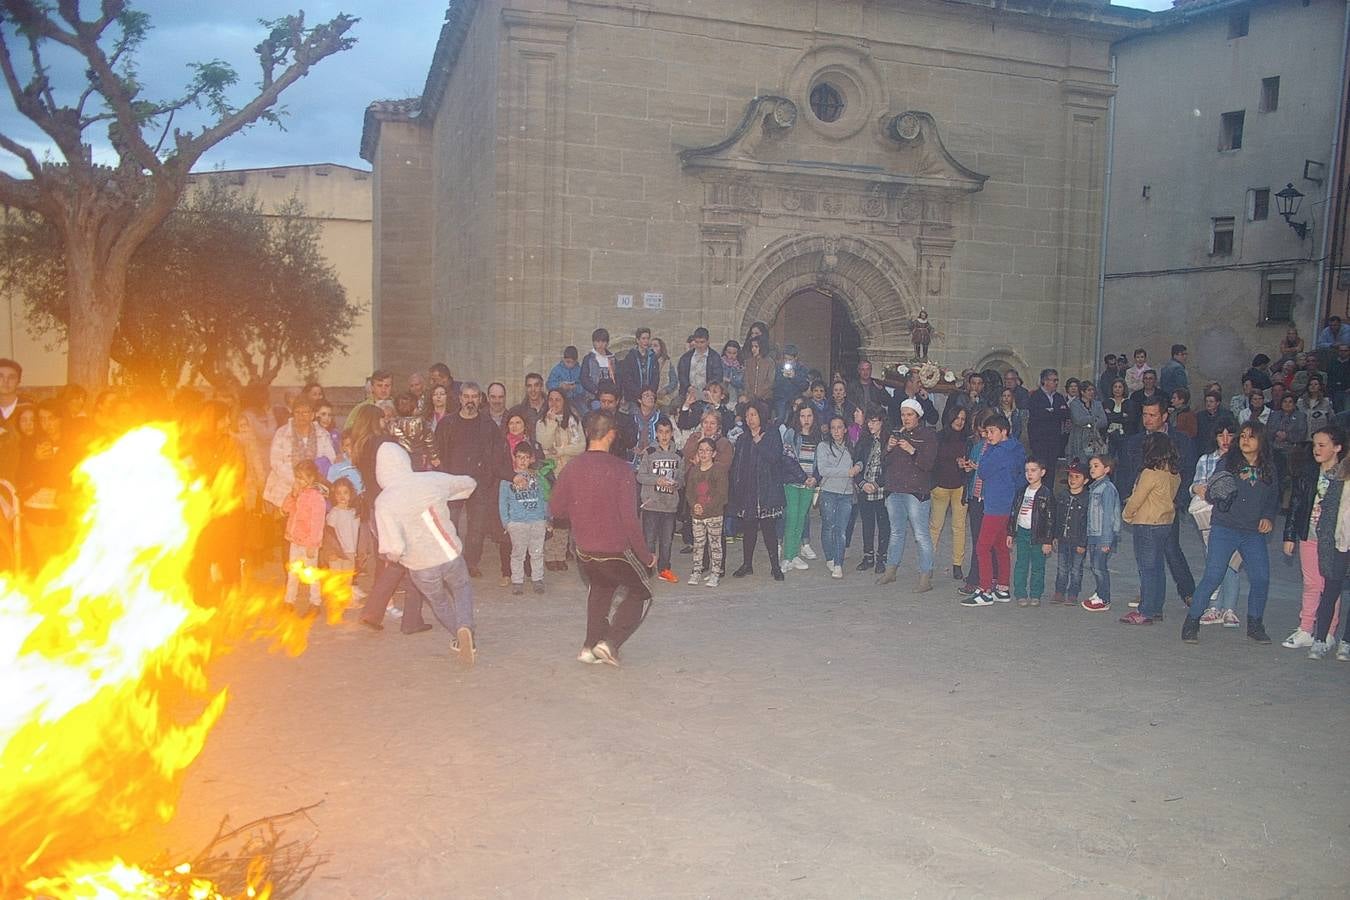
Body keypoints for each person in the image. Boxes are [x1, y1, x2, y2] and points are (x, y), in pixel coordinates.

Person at [550, 409, 657, 667]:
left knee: (600, 589)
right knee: (644, 591)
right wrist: (647, 557)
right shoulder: (621, 469)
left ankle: (589, 646)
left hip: (584, 550)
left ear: (588, 433)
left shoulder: (572, 467)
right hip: (615, 550)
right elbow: (630, 521)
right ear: (612, 435)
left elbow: (556, 510)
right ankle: (609, 643)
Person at [374, 441, 479, 666]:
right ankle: (465, 627)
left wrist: (398, 558)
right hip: (449, 552)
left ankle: (458, 636)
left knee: (438, 601)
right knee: (461, 589)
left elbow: (393, 548)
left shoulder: (384, 502)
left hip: (420, 565)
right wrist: (447, 496)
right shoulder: (430, 480)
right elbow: (468, 484)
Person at [1181, 422, 1280, 644]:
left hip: (1252, 532)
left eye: (1251, 437)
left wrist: (1268, 517)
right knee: (1213, 575)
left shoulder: (1269, 468)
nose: (1245, 440)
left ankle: (1255, 624)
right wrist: (1222, 490)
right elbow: (1212, 493)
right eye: (1243, 435)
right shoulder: (1227, 462)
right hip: (1225, 527)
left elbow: (1273, 498)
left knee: (1261, 578)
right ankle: (1192, 621)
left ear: (1261, 442)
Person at [1118, 397, 1197, 613]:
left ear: (1165, 416)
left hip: (1167, 506)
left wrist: (1177, 500)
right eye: (1144, 414)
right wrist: (1126, 496)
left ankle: (1188, 592)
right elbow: (1125, 471)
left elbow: (1187, 472)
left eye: (1153, 415)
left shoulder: (1181, 440)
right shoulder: (1134, 442)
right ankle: (1150, 596)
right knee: (1146, 557)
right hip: (1142, 508)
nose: (1147, 419)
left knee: (1170, 549)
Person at [435, 382, 512, 579]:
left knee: (476, 527)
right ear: (460, 399)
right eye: (466, 396)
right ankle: (451, 564)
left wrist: (495, 476)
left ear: (480, 400)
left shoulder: (488, 425)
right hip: (453, 483)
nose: (470, 401)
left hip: (479, 484)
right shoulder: (447, 424)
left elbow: (497, 455)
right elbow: (438, 453)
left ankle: (471, 563)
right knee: (451, 525)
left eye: (474, 397)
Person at [1280, 425, 1346, 647]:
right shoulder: (1308, 472)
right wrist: (1289, 535)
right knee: (1311, 583)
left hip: (1335, 539)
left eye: (1322, 445)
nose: (1316, 450)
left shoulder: (1343, 476)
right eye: (1315, 445)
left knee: (1331, 585)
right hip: (1309, 535)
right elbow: (1296, 504)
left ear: (1337, 447)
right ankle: (1306, 628)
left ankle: (1327, 630)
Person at [729, 400, 802, 581]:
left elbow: (774, 458)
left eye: (753, 415)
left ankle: (775, 567)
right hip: (748, 490)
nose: (749, 419)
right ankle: (747, 564)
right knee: (749, 529)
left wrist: (759, 443)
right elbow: (737, 465)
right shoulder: (742, 438)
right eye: (747, 416)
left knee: (769, 530)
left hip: (767, 489)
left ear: (761, 415)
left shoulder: (771, 434)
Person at [961, 413, 1025, 606]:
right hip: (1007, 502)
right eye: (986, 432)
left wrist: (987, 451)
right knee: (1000, 546)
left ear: (1003, 431)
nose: (988, 436)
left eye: (991, 431)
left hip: (995, 504)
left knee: (982, 547)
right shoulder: (1017, 449)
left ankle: (985, 589)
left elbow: (983, 471)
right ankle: (1003, 587)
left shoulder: (997, 451)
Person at [1120, 433, 1182, 625]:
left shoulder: (1150, 473)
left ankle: (1145, 610)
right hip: (1165, 522)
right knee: (1158, 567)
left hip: (1147, 522)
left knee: (1146, 568)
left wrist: (1127, 515)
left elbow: (1137, 498)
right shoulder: (1174, 474)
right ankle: (1156, 608)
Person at [1189, 417, 1244, 627]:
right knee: (1213, 562)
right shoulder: (1206, 459)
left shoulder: (1241, 461)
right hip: (1210, 515)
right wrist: (1198, 489)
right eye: (1221, 435)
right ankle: (1214, 606)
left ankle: (1229, 608)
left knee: (1233, 563)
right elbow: (1194, 484)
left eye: (1230, 435)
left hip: (1234, 517)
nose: (1225, 439)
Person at [876, 398, 937, 589]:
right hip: (894, 490)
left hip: (916, 492)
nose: (906, 418)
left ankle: (925, 575)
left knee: (921, 535)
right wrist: (888, 448)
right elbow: (882, 462)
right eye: (903, 414)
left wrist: (912, 450)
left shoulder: (928, 435)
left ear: (918, 416)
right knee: (896, 532)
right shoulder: (894, 433)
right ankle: (891, 570)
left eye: (910, 414)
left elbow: (929, 464)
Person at [536, 388, 584, 571]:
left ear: (564, 401)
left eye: (558, 400)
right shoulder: (542, 422)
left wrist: (562, 451)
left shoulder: (573, 421)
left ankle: (560, 554)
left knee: (564, 518)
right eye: (551, 400)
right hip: (550, 474)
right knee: (551, 517)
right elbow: (545, 444)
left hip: (569, 473)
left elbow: (580, 446)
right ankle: (550, 556)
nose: (554, 403)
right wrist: (551, 424)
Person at [263, 397, 336, 513]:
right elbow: (276, 462)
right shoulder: (282, 433)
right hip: (284, 489)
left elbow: (330, 459)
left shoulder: (323, 434)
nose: (301, 416)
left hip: (314, 489)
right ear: (293, 414)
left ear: (312, 415)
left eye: (305, 412)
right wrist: (296, 481)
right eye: (298, 412)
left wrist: (310, 482)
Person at [636, 417, 685, 583]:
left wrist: (676, 484)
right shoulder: (649, 453)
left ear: (672, 433)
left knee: (666, 541)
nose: (664, 436)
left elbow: (681, 479)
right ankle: (647, 569)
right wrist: (656, 480)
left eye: (667, 432)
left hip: (669, 505)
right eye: (661, 432)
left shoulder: (678, 455)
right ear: (656, 434)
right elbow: (641, 476)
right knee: (649, 539)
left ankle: (665, 569)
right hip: (651, 504)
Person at [499, 443, 547, 596]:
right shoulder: (507, 479)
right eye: (519, 457)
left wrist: (546, 517)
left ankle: (537, 578)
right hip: (517, 522)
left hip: (537, 520)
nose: (523, 461)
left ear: (531, 459)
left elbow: (543, 498)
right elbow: (502, 502)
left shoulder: (537, 477)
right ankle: (517, 581)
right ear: (514, 457)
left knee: (537, 552)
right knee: (518, 553)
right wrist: (506, 522)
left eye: (526, 458)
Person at [816, 414, 860, 578]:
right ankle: (829, 556)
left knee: (841, 529)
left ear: (845, 429)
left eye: (839, 427)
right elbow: (823, 470)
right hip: (828, 491)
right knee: (829, 526)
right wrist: (847, 472)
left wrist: (859, 466)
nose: (836, 431)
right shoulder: (823, 446)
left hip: (846, 493)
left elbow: (860, 460)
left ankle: (838, 563)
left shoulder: (852, 446)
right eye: (833, 427)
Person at [929, 404, 969, 582]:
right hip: (940, 487)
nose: (960, 421)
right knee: (935, 527)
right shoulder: (938, 437)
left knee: (959, 527)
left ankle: (957, 565)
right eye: (957, 417)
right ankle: (927, 564)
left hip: (960, 486)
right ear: (950, 417)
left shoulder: (968, 440)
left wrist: (965, 464)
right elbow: (932, 460)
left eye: (963, 419)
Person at [1007, 458, 1054, 607]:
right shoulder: (1022, 491)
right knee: (1021, 563)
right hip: (1022, 532)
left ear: (1043, 472)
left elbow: (1050, 519)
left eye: (1033, 470)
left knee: (1038, 566)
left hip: (1038, 535)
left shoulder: (1046, 494)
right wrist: (1010, 532)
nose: (1029, 474)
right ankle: (1020, 593)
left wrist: (1048, 540)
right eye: (1027, 470)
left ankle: (1036, 594)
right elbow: (1014, 512)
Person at [281, 459, 326, 613]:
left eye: (301, 478)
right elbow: (285, 509)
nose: (298, 481)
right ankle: (289, 600)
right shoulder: (297, 494)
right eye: (297, 477)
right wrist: (292, 495)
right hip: (295, 540)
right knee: (293, 572)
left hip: (308, 543)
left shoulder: (316, 497)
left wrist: (313, 544)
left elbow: (317, 523)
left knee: (311, 573)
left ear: (311, 478)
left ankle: (315, 602)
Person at [851, 408, 891, 575]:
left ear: (882, 422)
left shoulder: (888, 441)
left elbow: (891, 467)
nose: (871, 424)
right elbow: (856, 462)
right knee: (867, 523)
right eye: (869, 421)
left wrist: (876, 483)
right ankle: (868, 556)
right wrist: (861, 483)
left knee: (883, 524)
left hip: (881, 489)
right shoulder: (863, 440)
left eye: (875, 421)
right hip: (864, 488)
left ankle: (882, 557)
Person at [1079, 454, 1121, 612]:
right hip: (1094, 534)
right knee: (1095, 565)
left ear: (1107, 469)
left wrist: (1106, 540)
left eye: (1096, 466)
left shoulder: (1107, 489)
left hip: (1103, 535)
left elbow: (1109, 516)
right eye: (1091, 466)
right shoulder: (1094, 487)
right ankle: (1100, 591)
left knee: (1099, 566)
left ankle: (1104, 598)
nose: (1092, 469)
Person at [685, 437, 729, 586]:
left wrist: (706, 507)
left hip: (714, 515)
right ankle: (697, 571)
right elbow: (689, 492)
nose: (704, 454)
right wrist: (694, 505)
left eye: (707, 451)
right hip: (697, 515)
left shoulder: (719, 471)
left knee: (715, 544)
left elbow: (721, 495)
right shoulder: (694, 470)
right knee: (698, 544)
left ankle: (716, 572)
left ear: (714, 453)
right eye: (701, 450)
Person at [783, 404, 822, 570]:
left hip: (809, 485)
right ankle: (787, 557)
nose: (806, 420)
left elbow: (821, 463)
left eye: (809, 416)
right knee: (791, 517)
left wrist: (815, 478)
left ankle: (795, 555)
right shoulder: (791, 434)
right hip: (792, 482)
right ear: (797, 417)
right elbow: (787, 459)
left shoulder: (819, 437)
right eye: (803, 416)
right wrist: (803, 477)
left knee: (801, 518)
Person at [1049, 458, 1090, 606]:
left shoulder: (1087, 499)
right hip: (1063, 539)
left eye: (1077, 477)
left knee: (1076, 569)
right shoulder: (1062, 496)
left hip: (1077, 540)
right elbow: (1056, 517)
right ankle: (1059, 591)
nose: (1072, 479)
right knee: (1062, 567)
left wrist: (1083, 542)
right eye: (1071, 476)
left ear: (1085, 481)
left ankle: (1073, 593)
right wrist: (1054, 535)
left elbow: (1087, 523)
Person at [321, 477, 363, 606]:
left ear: (351, 494)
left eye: (345, 492)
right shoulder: (334, 513)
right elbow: (328, 534)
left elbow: (356, 534)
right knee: (336, 577)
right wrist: (330, 552)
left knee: (347, 577)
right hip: (337, 552)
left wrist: (357, 552)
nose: (342, 496)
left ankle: (346, 600)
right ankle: (333, 600)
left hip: (350, 551)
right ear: (334, 495)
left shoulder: (354, 513)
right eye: (338, 493)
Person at [1026, 368, 1069, 484]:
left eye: (1057, 380)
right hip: (1039, 442)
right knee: (1039, 471)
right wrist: (1054, 412)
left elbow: (1065, 414)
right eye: (1053, 380)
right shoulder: (1035, 397)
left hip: (1054, 441)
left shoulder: (1059, 397)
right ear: (1045, 381)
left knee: (1051, 472)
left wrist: (1051, 412)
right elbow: (1037, 416)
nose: (1056, 383)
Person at [1067, 381, 1107, 464]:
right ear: (1082, 392)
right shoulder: (1075, 404)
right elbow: (1078, 420)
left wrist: (1089, 423)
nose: (1092, 392)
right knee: (1080, 463)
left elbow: (1104, 421)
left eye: (1093, 390)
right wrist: (1094, 418)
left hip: (1094, 439)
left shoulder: (1098, 404)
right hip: (1079, 438)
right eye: (1089, 390)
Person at [677, 326, 724, 397]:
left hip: (708, 394)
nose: (699, 345)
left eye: (702, 342)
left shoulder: (715, 357)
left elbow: (717, 377)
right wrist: (688, 387)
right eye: (696, 342)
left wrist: (707, 389)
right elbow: (681, 375)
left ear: (708, 342)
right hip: (688, 394)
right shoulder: (686, 357)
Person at [579, 328, 618, 411]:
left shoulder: (612, 359)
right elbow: (584, 378)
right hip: (594, 395)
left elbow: (617, 377)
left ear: (607, 343)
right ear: (593, 342)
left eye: (603, 342)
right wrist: (596, 391)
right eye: (598, 342)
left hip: (611, 395)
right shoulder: (589, 359)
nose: (600, 344)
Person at [773, 345, 810, 423]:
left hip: (796, 399)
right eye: (785, 359)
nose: (787, 362)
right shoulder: (779, 368)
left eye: (790, 359)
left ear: (795, 358)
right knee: (780, 419)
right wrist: (782, 377)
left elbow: (805, 386)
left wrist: (794, 377)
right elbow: (774, 385)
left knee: (796, 421)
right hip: (782, 399)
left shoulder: (802, 368)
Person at [547, 346, 586, 415]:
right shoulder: (557, 370)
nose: (570, 365)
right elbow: (549, 384)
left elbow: (584, 386)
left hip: (577, 400)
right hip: (561, 400)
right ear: (563, 359)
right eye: (567, 362)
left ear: (576, 361)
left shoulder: (580, 370)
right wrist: (560, 385)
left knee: (585, 413)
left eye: (572, 362)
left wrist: (574, 387)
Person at [742, 335, 775, 404]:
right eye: (752, 347)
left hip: (765, 398)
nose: (753, 349)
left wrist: (759, 394)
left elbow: (770, 381)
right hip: (750, 398)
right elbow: (746, 380)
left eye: (756, 347)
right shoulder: (748, 362)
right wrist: (750, 394)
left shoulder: (769, 362)